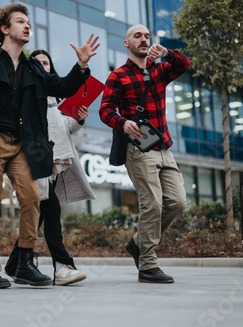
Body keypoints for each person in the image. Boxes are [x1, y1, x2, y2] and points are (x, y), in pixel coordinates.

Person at [0, 3, 99, 289]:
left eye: (29, 23)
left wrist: (81, 65)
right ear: (4, 28)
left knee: (33, 197)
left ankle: (24, 262)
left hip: (23, 144)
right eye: (20, 21)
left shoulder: (34, 68)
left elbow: (61, 87)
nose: (27, 26)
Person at [99, 24, 189, 283]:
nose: (144, 39)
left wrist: (168, 53)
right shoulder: (118, 75)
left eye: (147, 36)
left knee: (178, 202)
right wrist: (122, 122)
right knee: (153, 204)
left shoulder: (160, 69)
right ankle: (147, 265)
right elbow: (105, 110)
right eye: (137, 36)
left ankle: (138, 243)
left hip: (164, 147)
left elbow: (184, 64)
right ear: (126, 44)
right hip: (138, 148)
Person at [4, 50, 96, 286]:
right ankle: (62, 266)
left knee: (40, 213)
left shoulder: (57, 98)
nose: (43, 65)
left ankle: (16, 263)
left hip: (54, 162)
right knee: (50, 210)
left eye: (46, 62)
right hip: (33, 161)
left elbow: (67, 126)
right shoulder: (28, 94)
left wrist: (80, 118)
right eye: (38, 62)